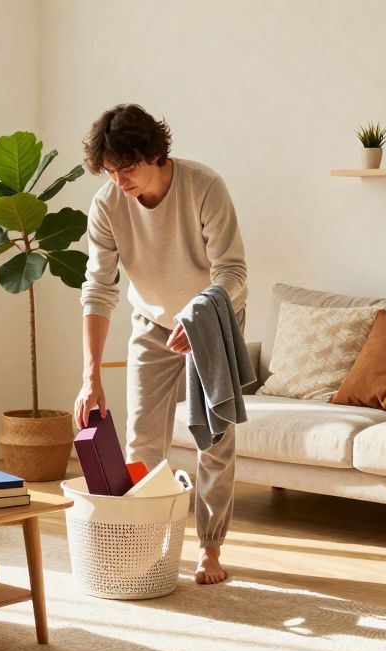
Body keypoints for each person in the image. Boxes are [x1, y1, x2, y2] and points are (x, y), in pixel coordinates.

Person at [74, 103, 247, 585]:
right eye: (109, 171)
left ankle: (211, 548)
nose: (119, 180)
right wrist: (90, 375)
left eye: (126, 167)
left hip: (212, 319)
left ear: (153, 153)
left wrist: (197, 317)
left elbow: (232, 272)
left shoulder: (203, 186)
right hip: (151, 323)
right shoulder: (108, 204)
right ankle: (142, 544)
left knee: (213, 440)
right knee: (142, 441)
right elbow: (99, 288)